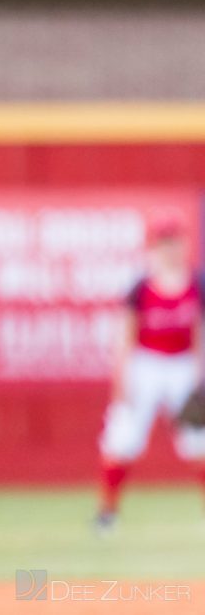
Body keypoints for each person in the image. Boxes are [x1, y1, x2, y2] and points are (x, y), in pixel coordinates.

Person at [96, 211, 205, 533]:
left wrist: (201, 378)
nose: (170, 249)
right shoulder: (140, 287)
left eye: (175, 242)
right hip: (145, 366)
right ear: (153, 248)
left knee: (199, 442)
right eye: (164, 243)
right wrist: (121, 380)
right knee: (122, 438)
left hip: (184, 366)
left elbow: (200, 334)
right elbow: (125, 338)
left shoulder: (197, 283)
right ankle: (107, 513)